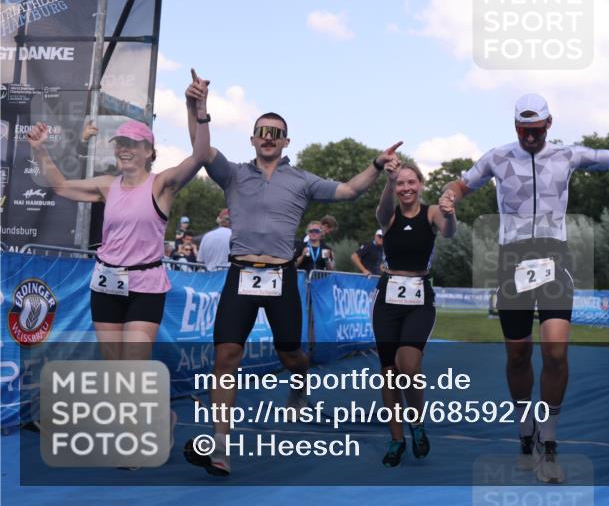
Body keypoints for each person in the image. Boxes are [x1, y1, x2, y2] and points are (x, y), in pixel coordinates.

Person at [179, 71, 401, 477]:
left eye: (276, 132)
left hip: (282, 279)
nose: (268, 136)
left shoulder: (301, 180)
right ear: (252, 139)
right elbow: (200, 149)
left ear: (285, 142)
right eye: (262, 131)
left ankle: (300, 381)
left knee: (291, 355)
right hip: (240, 274)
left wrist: (376, 164)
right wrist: (197, 106)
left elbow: (350, 191)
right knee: (226, 356)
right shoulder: (233, 173)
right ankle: (220, 446)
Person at [440, 91, 609, 483]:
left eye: (536, 129)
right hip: (512, 262)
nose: (530, 136)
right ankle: (524, 430)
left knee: (556, 352)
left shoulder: (567, 155)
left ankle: (549, 440)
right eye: (524, 130)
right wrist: (449, 196)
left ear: (549, 124)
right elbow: (461, 185)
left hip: (553, 258)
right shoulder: (497, 157)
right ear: (516, 127)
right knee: (518, 356)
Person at [25, 74, 211, 362]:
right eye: (120, 143)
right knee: (114, 364)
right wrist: (40, 151)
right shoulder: (106, 185)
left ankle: (162, 410)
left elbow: (200, 156)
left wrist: (199, 110)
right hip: (106, 283)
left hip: (145, 287)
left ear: (149, 151)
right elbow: (61, 186)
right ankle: (150, 409)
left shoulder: (162, 185)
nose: (124, 148)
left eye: (133, 144)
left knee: (134, 363)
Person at [373, 160, 456, 467]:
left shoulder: (431, 211)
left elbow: (448, 232)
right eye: (400, 183)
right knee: (389, 372)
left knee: (408, 364)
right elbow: (381, 212)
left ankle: (417, 422)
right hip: (388, 298)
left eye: (411, 182)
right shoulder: (390, 214)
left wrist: (450, 213)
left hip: (420, 297)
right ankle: (397, 440)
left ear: (420, 184)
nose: (405, 188)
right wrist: (387, 179)